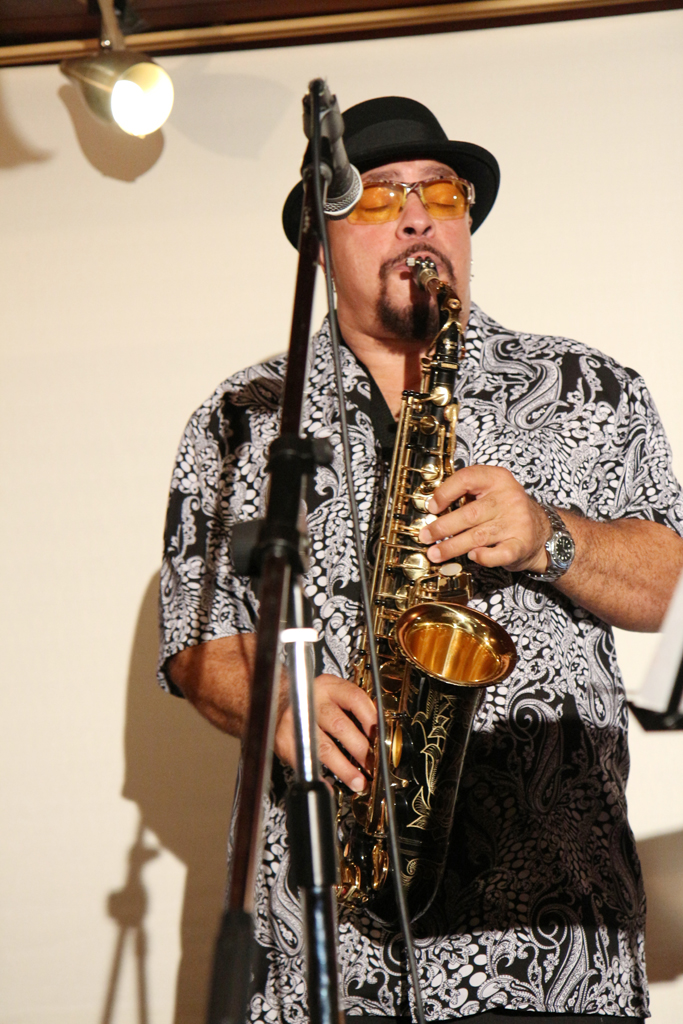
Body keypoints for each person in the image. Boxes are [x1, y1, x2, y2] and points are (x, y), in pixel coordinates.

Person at [158, 97, 683, 1022]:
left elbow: (670, 585)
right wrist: (275, 701)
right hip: (325, 944)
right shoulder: (244, 418)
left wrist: (550, 536)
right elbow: (197, 643)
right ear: (318, 241)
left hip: (552, 940)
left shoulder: (589, 389)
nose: (414, 217)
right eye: (376, 196)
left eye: (440, 193)